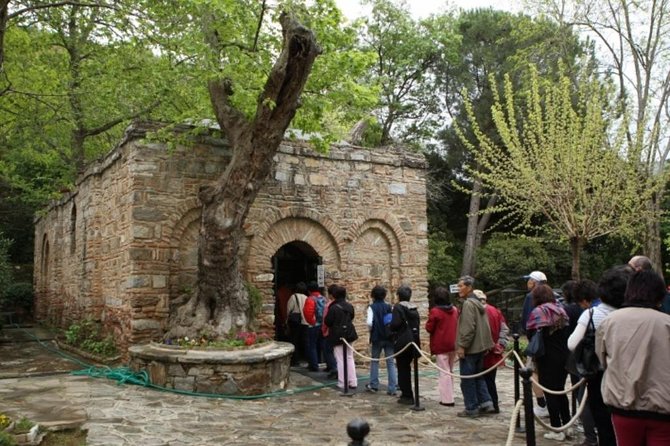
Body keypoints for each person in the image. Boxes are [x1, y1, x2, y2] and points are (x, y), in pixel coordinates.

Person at [596, 269, 670, 445]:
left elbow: (602, 359)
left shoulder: (610, 322)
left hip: (624, 405)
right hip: (663, 408)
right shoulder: (667, 323)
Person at [568, 265, 631, 446]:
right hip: (626, 374)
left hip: (599, 374)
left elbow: (572, 343)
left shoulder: (592, 313)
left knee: (604, 424)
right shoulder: (630, 313)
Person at [527, 284, 571, 441]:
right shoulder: (561, 310)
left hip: (546, 356)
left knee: (550, 392)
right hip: (563, 354)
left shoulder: (538, 312)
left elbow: (530, 331)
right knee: (560, 391)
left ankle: (556, 428)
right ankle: (567, 426)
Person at [455, 276, 495, 418]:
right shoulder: (478, 303)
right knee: (479, 377)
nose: (458, 289)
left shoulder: (468, 305)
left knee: (467, 379)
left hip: (471, 349)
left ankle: (471, 407)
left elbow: (468, 328)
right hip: (480, 347)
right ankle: (486, 402)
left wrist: (462, 346)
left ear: (469, 287)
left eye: (461, 286)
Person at [565, 279, 599, 446]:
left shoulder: (591, 313)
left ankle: (591, 438)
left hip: (592, 365)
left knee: (584, 400)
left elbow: (572, 343)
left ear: (584, 299)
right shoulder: (617, 309)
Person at [520, 270, 550, 417]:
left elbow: (527, 321)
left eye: (529, 280)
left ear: (535, 282)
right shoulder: (553, 296)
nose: (527, 283)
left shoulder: (530, 297)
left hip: (536, 341)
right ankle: (551, 403)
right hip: (552, 342)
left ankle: (541, 404)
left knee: (532, 372)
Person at [475, 289, 509, 414]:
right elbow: (504, 329)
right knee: (490, 380)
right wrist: (500, 345)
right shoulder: (496, 311)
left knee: (481, 380)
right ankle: (493, 404)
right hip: (494, 351)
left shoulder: (478, 311)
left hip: (482, 351)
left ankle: (487, 404)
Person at [425, 286, 459, 407]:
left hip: (441, 345)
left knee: (444, 372)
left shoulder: (435, 311)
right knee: (450, 370)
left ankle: (447, 399)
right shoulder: (455, 309)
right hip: (453, 343)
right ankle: (450, 394)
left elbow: (429, 328)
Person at [389, 285, 421, 405]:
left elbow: (395, 324)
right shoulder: (414, 308)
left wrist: (390, 327)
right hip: (413, 341)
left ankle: (407, 395)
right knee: (407, 367)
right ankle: (411, 394)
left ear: (398, 296)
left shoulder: (398, 307)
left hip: (403, 342)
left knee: (403, 369)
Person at [365, 285, 398, 396]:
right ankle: (392, 387)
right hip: (388, 337)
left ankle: (374, 384)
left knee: (375, 360)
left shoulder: (372, 307)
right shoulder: (389, 307)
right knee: (390, 362)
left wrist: (371, 330)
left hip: (376, 336)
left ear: (373, 295)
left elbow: (369, 322)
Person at [324, 284, 357, 390]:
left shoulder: (333, 307)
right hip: (349, 333)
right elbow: (351, 317)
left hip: (337, 335)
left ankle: (343, 382)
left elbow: (328, 321)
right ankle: (353, 381)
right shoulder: (349, 306)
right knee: (349, 357)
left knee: (340, 359)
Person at [286, 282, 309, 366]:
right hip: (305, 321)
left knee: (294, 340)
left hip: (295, 322)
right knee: (305, 340)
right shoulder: (307, 297)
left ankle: (295, 360)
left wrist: (286, 320)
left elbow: (289, 309)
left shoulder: (293, 297)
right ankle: (307, 358)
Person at [304, 282, 324, 372]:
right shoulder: (323, 298)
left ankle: (314, 365)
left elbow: (308, 313)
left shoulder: (310, 299)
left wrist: (312, 322)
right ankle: (326, 362)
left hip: (314, 325)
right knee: (323, 345)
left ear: (309, 290)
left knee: (312, 345)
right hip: (323, 325)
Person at [321, 285, 338, 379]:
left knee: (328, 351)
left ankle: (334, 369)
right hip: (339, 332)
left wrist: (323, 330)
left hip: (329, 331)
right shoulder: (342, 304)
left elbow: (325, 320)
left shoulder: (329, 305)